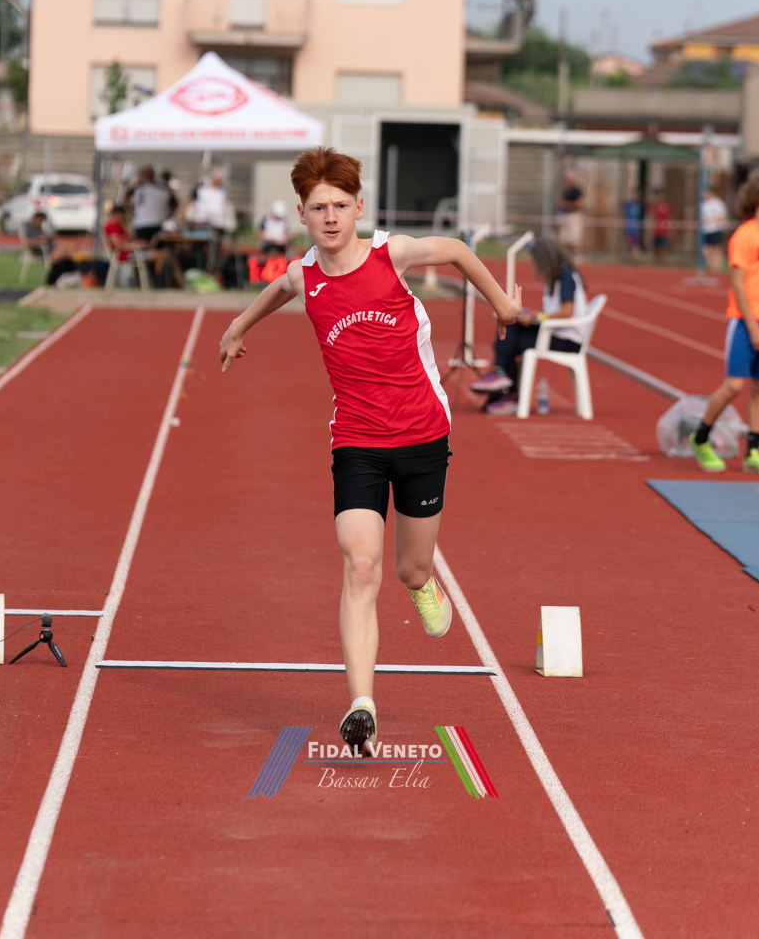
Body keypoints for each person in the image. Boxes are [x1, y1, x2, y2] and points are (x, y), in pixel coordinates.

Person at [219, 147, 521, 756]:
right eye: (317, 208)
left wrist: (503, 304)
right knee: (360, 564)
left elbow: (457, 250)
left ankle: (423, 583)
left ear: (359, 207)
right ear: (302, 216)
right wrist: (237, 328)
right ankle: (362, 704)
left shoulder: (392, 254)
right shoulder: (305, 275)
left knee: (410, 567)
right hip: (357, 440)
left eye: (339, 205)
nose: (330, 217)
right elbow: (278, 289)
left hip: (423, 434)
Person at [690, 174, 759, 475]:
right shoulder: (744, 236)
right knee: (734, 385)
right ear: (757, 199)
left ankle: (753, 452)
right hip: (745, 321)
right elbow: (738, 285)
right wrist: (753, 327)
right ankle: (700, 438)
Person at [470, 237, 587, 414]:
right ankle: (504, 381)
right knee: (511, 323)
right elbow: (554, 312)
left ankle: (503, 380)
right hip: (556, 332)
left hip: (567, 339)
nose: (536, 265)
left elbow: (567, 312)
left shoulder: (565, 275)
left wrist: (536, 319)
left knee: (512, 340)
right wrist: (532, 315)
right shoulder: (557, 276)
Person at [124, 165, 178, 242]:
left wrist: (168, 216)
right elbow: (125, 198)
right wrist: (132, 210)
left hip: (156, 224)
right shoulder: (139, 186)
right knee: (144, 246)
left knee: (152, 247)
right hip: (144, 223)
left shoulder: (161, 187)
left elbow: (174, 204)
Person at [556, 170, 584, 260]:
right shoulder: (565, 190)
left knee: (575, 239)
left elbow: (579, 204)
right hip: (565, 216)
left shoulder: (576, 191)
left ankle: (578, 257)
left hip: (574, 216)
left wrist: (566, 204)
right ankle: (565, 258)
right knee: (564, 239)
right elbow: (559, 201)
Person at [701, 185, 728, 273]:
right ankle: (711, 268)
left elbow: (722, 217)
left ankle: (717, 269)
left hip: (715, 229)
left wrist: (711, 220)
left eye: (705, 192)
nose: (703, 194)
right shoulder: (704, 203)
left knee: (716, 249)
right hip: (706, 230)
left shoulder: (717, 203)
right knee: (706, 250)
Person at [649, 193, 671, 261]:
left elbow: (669, 217)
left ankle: (662, 260)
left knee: (662, 246)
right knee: (655, 246)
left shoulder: (666, 206)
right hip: (656, 230)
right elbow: (651, 217)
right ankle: (656, 261)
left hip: (663, 230)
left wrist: (669, 229)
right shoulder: (654, 207)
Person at [622, 190, 642, 256]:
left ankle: (637, 255)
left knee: (634, 243)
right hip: (628, 226)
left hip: (633, 228)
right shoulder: (629, 205)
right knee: (629, 242)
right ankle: (631, 256)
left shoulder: (637, 206)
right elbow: (623, 210)